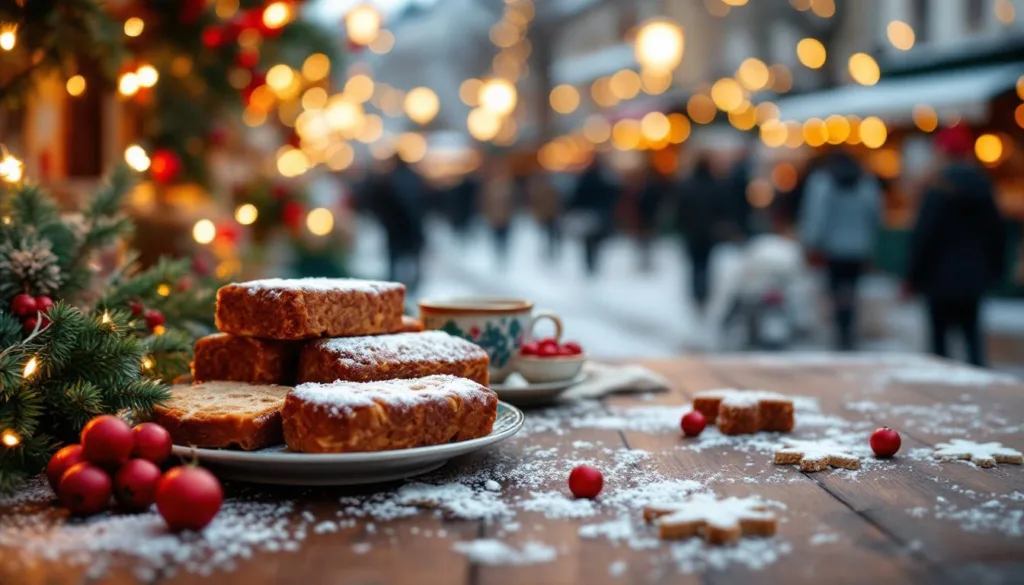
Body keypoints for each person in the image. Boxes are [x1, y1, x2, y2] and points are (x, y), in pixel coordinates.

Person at [907, 125, 1006, 367]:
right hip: (973, 275)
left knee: (940, 346)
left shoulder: (937, 188)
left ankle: (945, 393)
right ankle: (978, 386)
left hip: (938, 277)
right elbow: (996, 233)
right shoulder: (983, 187)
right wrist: (994, 269)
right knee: (972, 338)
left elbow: (925, 236)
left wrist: (912, 276)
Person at [799, 150, 881, 351]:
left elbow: (817, 214)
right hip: (859, 246)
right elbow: (875, 214)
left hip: (833, 246)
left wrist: (812, 242)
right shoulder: (867, 182)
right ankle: (848, 326)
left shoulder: (823, 182)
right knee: (852, 288)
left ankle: (841, 328)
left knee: (835, 288)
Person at [674, 154, 727, 312]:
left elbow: (680, 210)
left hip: (692, 233)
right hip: (709, 233)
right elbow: (722, 209)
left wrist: (681, 226)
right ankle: (703, 294)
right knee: (706, 264)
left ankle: (697, 295)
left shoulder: (688, 185)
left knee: (695, 265)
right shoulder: (715, 185)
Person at [367, 157, 425, 292]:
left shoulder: (389, 179)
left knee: (394, 258)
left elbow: (380, 202)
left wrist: (385, 220)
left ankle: (393, 286)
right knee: (414, 258)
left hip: (395, 228)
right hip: (412, 226)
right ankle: (414, 285)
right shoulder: (415, 178)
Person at [567, 156, 619, 276]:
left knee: (589, 241)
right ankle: (592, 263)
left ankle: (590, 263)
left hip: (591, 213)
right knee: (594, 241)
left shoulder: (588, 178)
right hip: (596, 213)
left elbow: (577, 196)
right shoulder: (604, 178)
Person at [480, 161, 515, 267]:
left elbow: (513, 202)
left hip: (505, 218)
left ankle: (503, 254)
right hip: (494, 218)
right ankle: (497, 255)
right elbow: (484, 202)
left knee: (505, 237)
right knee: (496, 237)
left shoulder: (508, 187)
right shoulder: (489, 187)